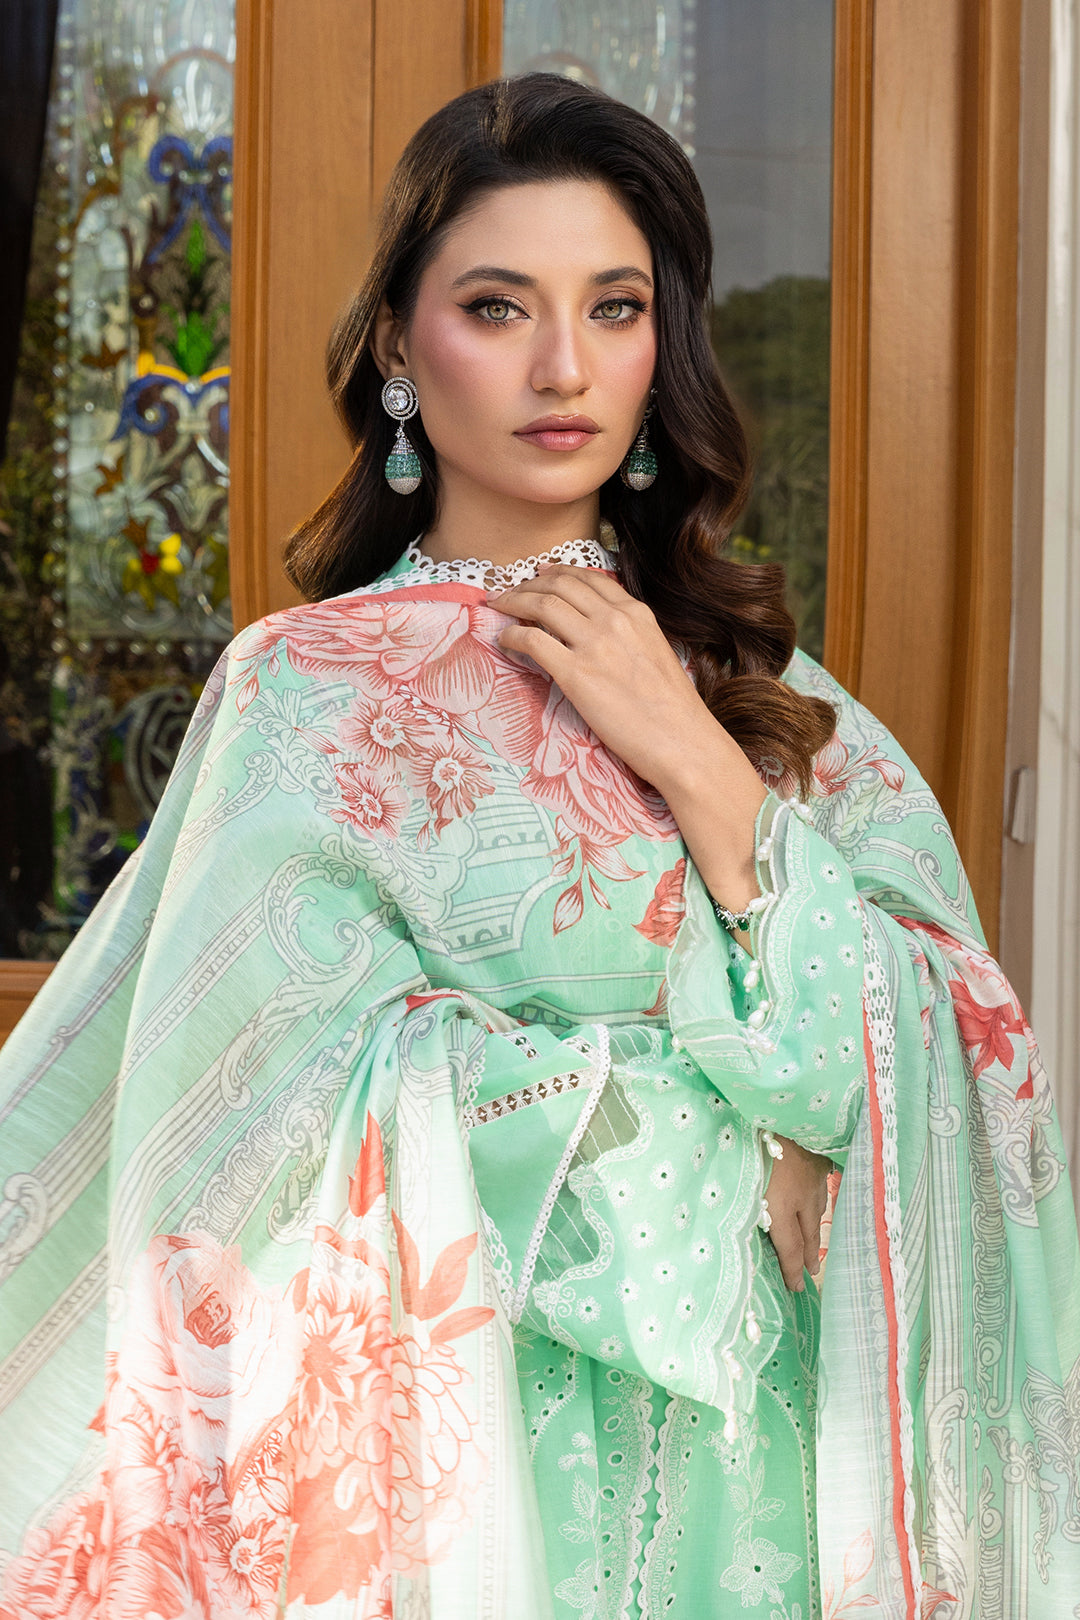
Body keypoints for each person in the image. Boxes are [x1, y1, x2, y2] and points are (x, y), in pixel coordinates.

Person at [0, 72, 1077, 1620]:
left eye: (615, 308)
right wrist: (723, 1140)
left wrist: (691, 754)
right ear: (397, 344)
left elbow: (950, 1048)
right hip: (464, 1490)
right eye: (498, 307)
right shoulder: (304, 695)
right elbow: (248, 1116)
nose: (565, 366)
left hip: (760, 1496)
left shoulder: (771, 701)